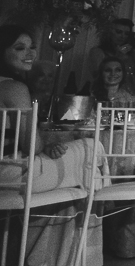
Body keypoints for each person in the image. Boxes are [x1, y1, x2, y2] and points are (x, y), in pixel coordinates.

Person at [0, 25, 95, 193]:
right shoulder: (14, 88)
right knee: (91, 148)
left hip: (8, 167)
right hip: (9, 171)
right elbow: (32, 146)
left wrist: (44, 146)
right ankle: (102, 205)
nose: (30, 53)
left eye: (32, 47)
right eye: (20, 48)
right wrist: (45, 145)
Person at [85, 18, 135, 84]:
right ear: (111, 32)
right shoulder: (98, 51)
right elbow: (98, 76)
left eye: (126, 33)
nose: (123, 36)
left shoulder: (130, 53)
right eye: (118, 32)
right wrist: (118, 57)